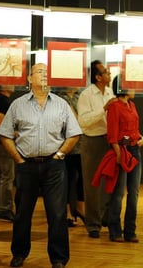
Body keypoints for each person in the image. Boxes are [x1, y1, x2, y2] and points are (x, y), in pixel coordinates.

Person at [0, 63, 82, 268]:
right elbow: (5, 134)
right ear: (29, 79)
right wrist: (18, 159)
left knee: (58, 213)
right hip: (27, 164)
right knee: (23, 212)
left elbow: (74, 133)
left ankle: (59, 258)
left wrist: (60, 154)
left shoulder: (62, 104)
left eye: (47, 72)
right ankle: (19, 253)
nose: (45, 75)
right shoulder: (18, 104)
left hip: (54, 165)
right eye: (40, 72)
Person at [77, 60, 116, 238]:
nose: (109, 75)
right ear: (98, 77)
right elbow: (83, 122)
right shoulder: (86, 95)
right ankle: (93, 224)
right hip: (92, 141)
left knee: (109, 182)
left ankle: (106, 217)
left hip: (109, 140)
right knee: (92, 184)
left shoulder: (110, 92)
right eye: (106, 72)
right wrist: (103, 109)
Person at [105, 75, 143, 242]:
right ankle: (114, 231)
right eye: (132, 85)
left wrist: (140, 138)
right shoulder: (114, 106)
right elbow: (113, 135)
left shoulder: (132, 104)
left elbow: (134, 128)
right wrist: (119, 154)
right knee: (119, 193)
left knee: (134, 192)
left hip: (135, 150)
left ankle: (130, 230)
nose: (135, 89)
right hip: (122, 151)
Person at [58, 88, 85, 227]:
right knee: (67, 180)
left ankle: (80, 210)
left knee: (82, 180)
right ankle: (67, 212)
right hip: (66, 145)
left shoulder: (80, 96)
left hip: (81, 145)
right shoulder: (59, 98)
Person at [0, 85, 15, 221]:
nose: (15, 84)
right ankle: (4, 208)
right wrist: (16, 132)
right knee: (7, 176)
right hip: (3, 142)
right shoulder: (2, 100)